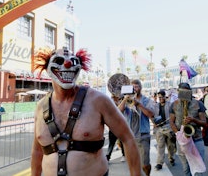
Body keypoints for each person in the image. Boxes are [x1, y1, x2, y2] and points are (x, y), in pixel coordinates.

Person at [30, 47, 141, 176]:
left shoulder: (99, 101)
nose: (67, 64)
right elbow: (37, 151)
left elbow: (127, 138)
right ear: (47, 67)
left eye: (73, 61)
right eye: (59, 61)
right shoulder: (40, 107)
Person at [169, 83, 207, 176]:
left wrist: (194, 120)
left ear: (190, 91)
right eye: (182, 91)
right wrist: (178, 134)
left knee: (198, 169)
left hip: (197, 139)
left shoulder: (199, 104)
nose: (184, 93)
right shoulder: (173, 105)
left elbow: (204, 122)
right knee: (186, 169)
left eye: (186, 91)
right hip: (181, 141)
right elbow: (171, 122)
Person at [119, 79, 155, 176]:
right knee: (132, 164)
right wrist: (125, 99)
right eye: (132, 87)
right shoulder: (126, 100)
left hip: (143, 135)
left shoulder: (147, 100)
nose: (134, 89)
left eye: (136, 86)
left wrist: (138, 104)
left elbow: (151, 114)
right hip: (129, 136)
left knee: (145, 164)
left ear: (140, 88)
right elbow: (118, 112)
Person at [153, 89, 176, 170]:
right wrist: (154, 122)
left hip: (169, 127)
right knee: (160, 146)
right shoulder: (155, 106)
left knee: (170, 146)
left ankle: (171, 158)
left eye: (162, 97)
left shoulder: (170, 105)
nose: (161, 99)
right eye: (159, 97)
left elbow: (175, 115)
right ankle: (159, 163)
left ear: (165, 97)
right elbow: (152, 116)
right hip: (159, 128)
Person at [105, 94, 125, 162]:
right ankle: (107, 156)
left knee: (122, 142)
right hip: (113, 127)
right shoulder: (110, 104)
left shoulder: (122, 102)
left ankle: (124, 155)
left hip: (121, 126)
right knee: (111, 143)